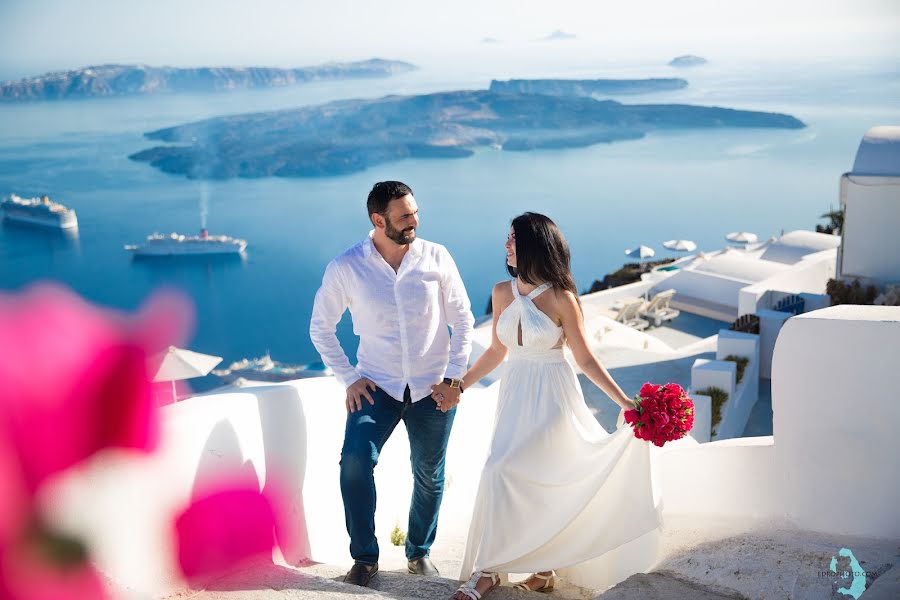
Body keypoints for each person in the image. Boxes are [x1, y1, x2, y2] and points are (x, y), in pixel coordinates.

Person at [449, 212, 661, 600]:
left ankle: (490, 570)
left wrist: (627, 403)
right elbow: (498, 350)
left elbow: (585, 359)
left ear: (534, 245)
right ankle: (542, 570)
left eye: (513, 238)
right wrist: (459, 384)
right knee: (520, 476)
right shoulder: (501, 292)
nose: (506, 245)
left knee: (507, 472)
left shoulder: (563, 298)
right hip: (514, 393)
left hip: (552, 395)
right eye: (507, 238)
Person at [310, 181, 475, 587]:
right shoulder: (346, 266)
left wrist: (455, 378)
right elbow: (321, 328)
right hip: (376, 388)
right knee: (354, 463)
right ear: (378, 220)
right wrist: (348, 377)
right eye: (405, 216)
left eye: (416, 212)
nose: (415, 221)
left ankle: (419, 552)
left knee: (429, 474)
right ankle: (365, 558)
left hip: (432, 389)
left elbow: (464, 319)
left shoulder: (437, 257)